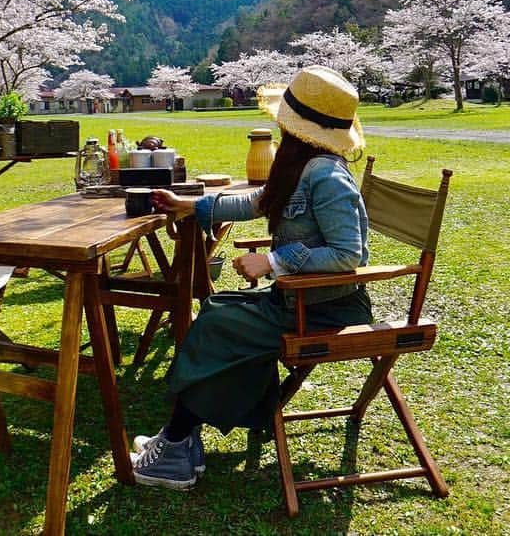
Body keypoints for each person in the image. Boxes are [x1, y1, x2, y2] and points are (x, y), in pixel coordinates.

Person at [131, 65, 372, 490]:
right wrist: (191, 206)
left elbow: (348, 255)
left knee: (216, 326)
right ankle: (181, 442)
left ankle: (174, 445)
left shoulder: (327, 175)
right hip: (297, 302)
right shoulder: (300, 165)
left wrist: (274, 262)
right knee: (218, 309)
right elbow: (259, 202)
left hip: (325, 308)